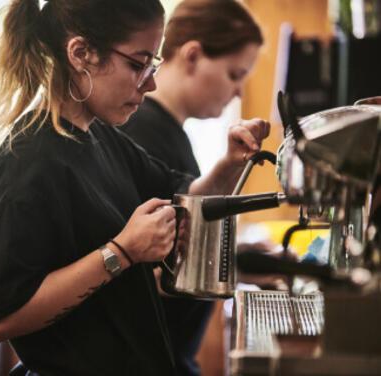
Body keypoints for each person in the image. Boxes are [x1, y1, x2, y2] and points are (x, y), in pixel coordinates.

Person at [0, 0, 269, 375]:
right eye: (137, 64)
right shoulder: (27, 164)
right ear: (81, 54)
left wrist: (230, 164)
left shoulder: (102, 137)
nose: (151, 83)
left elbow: (185, 201)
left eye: (153, 64)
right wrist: (121, 252)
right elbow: (3, 318)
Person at [121, 1, 265, 374]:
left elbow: (185, 227)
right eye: (235, 74)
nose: (237, 92)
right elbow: (149, 268)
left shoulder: (170, 132)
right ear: (193, 55)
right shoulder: (140, 132)